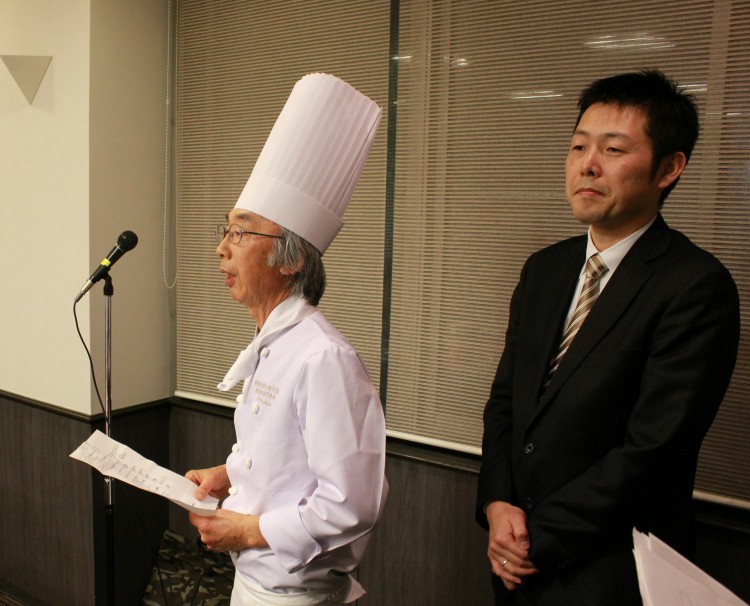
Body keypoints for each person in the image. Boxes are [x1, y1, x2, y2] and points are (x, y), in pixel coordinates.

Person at [476, 69, 740, 605]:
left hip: (611, 569)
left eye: (614, 149)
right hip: (514, 556)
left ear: (669, 168)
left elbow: (654, 450)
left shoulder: (695, 285)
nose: (587, 165)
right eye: (578, 146)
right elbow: (507, 399)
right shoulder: (545, 270)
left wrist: (535, 540)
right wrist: (496, 503)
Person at [186, 73, 388, 605]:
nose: (222, 249)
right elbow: (276, 455)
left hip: (292, 592)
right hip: (253, 577)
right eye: (225, 230)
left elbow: (351, 503)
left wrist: (248, 530)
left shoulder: (325, 358)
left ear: (293, 258)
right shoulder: (274, 340)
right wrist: (225, 473)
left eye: (242, 231)